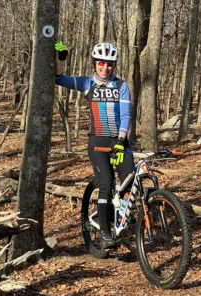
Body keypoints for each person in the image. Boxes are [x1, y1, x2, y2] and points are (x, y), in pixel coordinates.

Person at [55, 42, 134, 249]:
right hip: (97, 142)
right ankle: (105, 232)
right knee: (106, 183)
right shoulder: (87, 83)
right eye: (101, 63)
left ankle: (123, 222)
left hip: (119, 141)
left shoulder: (121, 85)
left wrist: (120, 141)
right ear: (95, 63)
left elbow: (126, 116)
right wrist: (60, 58)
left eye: (109, 64)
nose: (105, 67)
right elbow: (58, 78)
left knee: (129, 184)